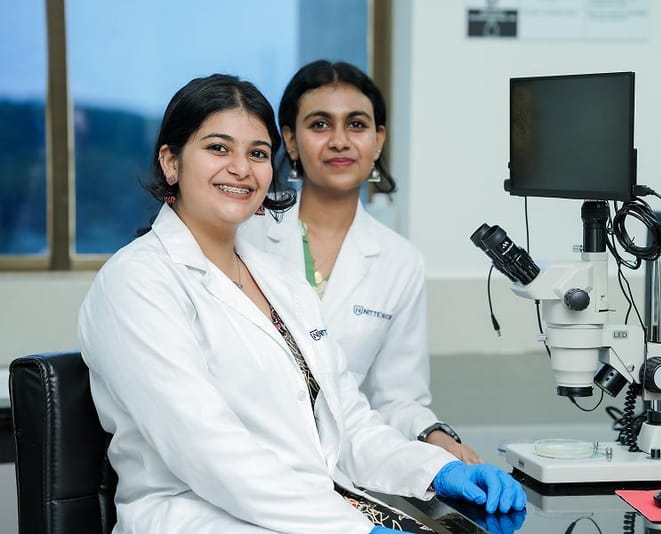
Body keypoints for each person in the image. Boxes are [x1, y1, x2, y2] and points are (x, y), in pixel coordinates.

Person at [78, 73, 526, 534]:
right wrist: (356, 531)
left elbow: (347, 423)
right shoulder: (137, 282)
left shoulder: (279, 281)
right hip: (201, 517)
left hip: (310, 508)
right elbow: (208, 450)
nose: (240, 168)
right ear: (171, 162)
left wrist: (437, 469)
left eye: (257, 153)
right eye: (218, 148)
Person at [239, 60, 481, 464]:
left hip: (339, 460)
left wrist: (435, 437)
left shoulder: (399, 262)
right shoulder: (246, 229)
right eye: (320, 125)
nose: (340, 141)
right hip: (244, 447)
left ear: (378, 139)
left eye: (356, 124)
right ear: (291, 140)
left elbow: (398, 397)